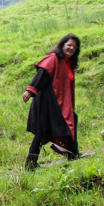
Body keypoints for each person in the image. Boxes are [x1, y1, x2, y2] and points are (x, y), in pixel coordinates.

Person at [22, 33, 82, 171]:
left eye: (74, 47)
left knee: (71, 119)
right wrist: (30, 90)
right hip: (46, 100)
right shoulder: (54, 58)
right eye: (69, 45)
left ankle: (72, 154)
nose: (71, 48)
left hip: (58, 101)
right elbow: (41, 74)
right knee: (42, 131)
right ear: (63, 45)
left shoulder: (68, 63)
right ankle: (31, 164)